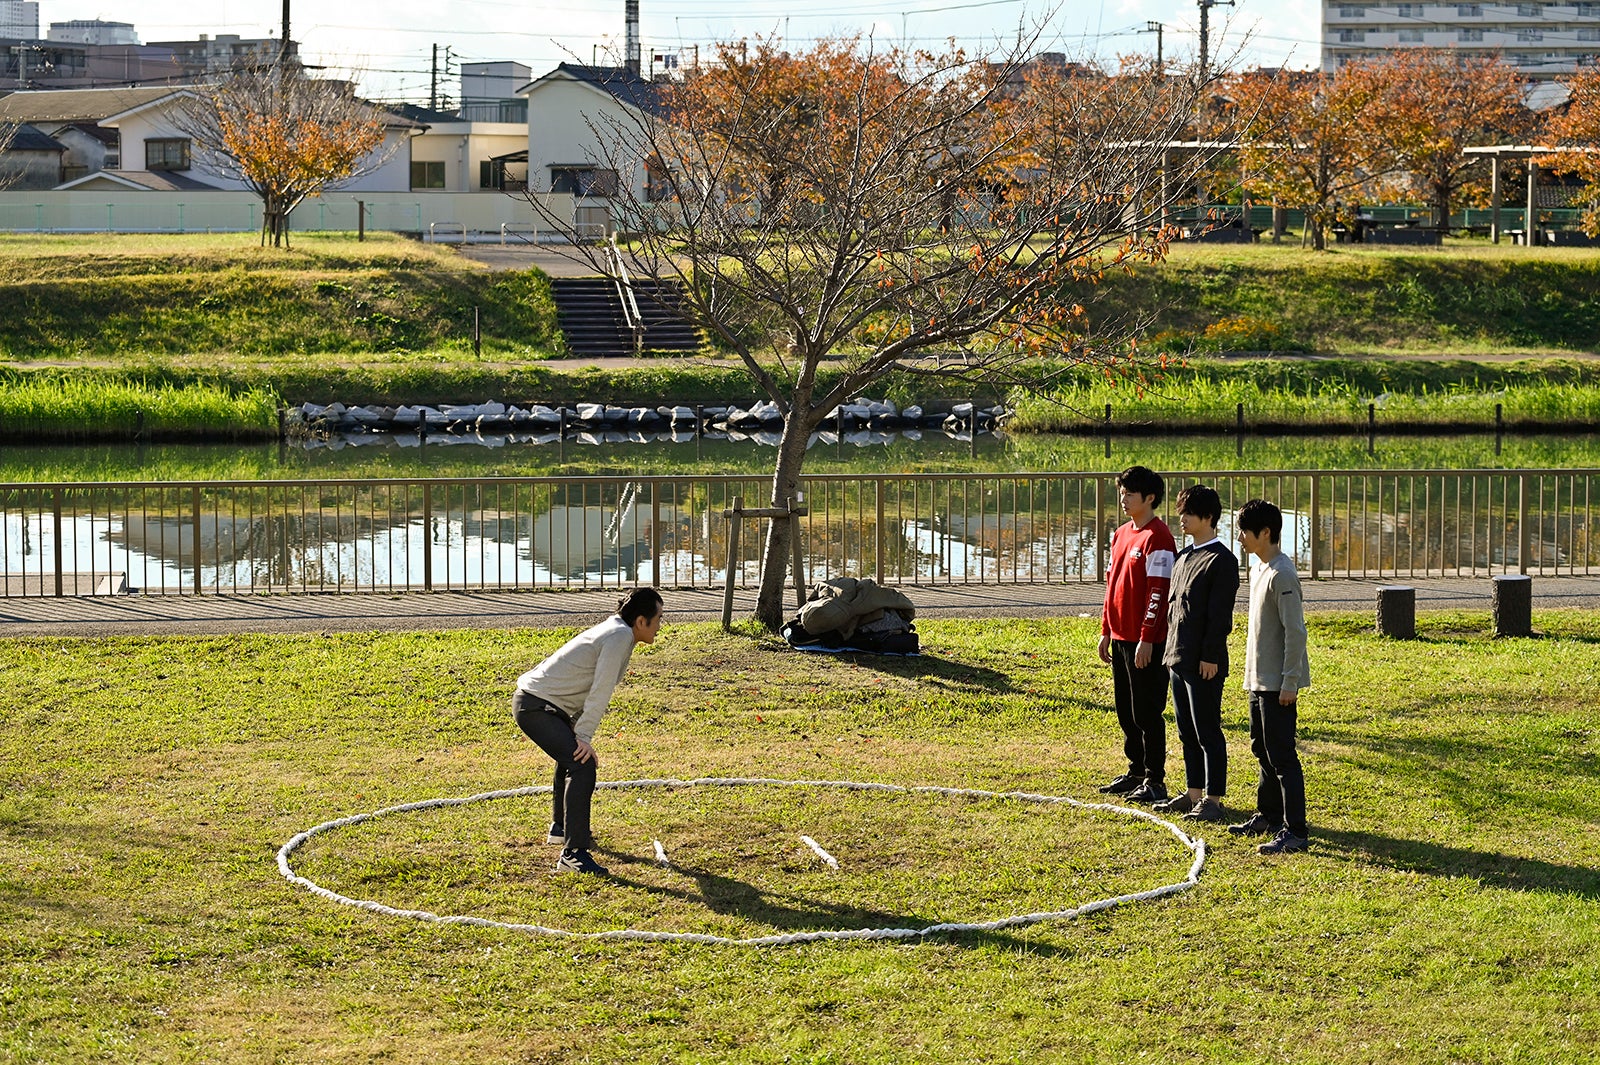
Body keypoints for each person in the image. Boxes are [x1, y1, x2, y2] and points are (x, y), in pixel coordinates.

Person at [513, 587, 664, 874]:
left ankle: (562, 829)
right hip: (535, 706)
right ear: (641, 621)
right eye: (658, 618)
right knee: (582, 764)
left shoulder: (620, 631)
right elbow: (600, 691)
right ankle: (573, 854)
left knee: (572, 756)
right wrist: (583, 737)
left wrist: (576, 731)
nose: (660, 626)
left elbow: (587, 687)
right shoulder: (619, 635)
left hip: (543, 706)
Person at [1230, 499, 1312, 855]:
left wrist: (1290, 681)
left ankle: (1295, 831)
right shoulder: (1256, 569)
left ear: (1266, 533)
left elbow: (1296, 633)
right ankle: (1268, 815)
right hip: (1257, 680)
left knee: (1282, 756)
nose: (1240, 539)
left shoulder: (1283, 574)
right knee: (1261, 749)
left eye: (1245, 532)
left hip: (1278, 683)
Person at [1154, 484, 1240, 823]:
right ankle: (1192, 794)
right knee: (1186, 729)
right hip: (1176, 656)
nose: (1182, 519)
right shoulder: (1184, 557)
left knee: (1207, 729)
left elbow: (1220, 616)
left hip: (1203, 660)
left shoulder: (1222, 560)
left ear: (1208, 517)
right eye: (1181, 512)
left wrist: (1211, 656)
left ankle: (1214, 799)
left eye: (1189, 513)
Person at [1098, 465, 1177, 804]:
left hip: (1146, 641)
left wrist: (1147, 638)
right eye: (1122, 492)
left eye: (1130, 494)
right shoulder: (1121, 534)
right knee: (1126, 709)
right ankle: (1136, 771)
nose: (1123, 498)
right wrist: (1106, 630)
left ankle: (1155, 780)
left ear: (1150, 498)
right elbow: (1111, 585)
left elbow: (1159, 592)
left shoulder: (1158, 537)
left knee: (1147, 711)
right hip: (1120, 637)